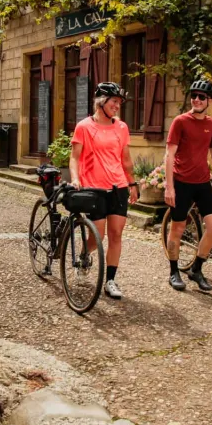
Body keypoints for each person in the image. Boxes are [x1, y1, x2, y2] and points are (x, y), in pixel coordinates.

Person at [164, 79, 212, 292]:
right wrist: (169, 187)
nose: (196, 99)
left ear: (209, 101)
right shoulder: (180, 121)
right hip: (181, 183)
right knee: (178, 227)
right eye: (193, 95)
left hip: (202, 182)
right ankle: (174, 271)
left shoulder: (211, 124)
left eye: (201, 97)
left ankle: (196, 268)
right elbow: (169, 154)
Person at [69, 81, 139, 299]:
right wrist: (75, 179)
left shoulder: (121, 127)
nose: (117, 106)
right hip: (94, 189)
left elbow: (125, 159)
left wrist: (133, 183)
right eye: (114, 101)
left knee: (116, 234)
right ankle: (84, 253)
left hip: (118, 187)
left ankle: (110, 280)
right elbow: (75, 157)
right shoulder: (84, 126)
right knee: (96, 237)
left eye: (119, 102)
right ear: (102, 102)